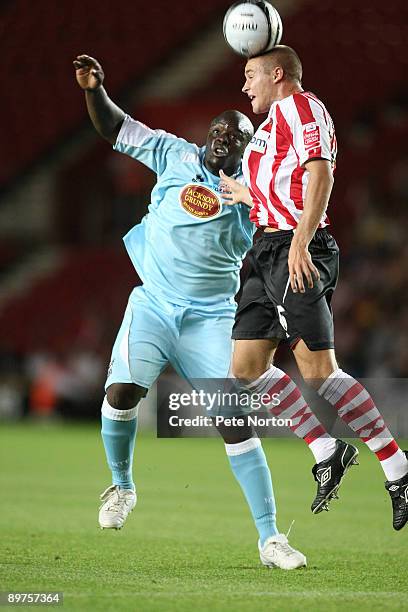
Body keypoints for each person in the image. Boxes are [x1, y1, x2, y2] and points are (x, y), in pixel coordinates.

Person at [73, 54, 307, 570]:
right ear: (207, 135)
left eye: (239, 134)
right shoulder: (173, 154)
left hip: (211, 316)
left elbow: (288, 221)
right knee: (121, 392)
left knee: (233, 420)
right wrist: (95, 89)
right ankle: (122, 487)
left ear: (248, 148)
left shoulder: (253, 191)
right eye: (221, 129)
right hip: (154, 301)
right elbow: (116, 128)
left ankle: (270, 539)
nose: (227, 136)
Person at [219, 45, 408, 530]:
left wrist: (301, 242)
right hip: (264, 252)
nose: (244, 86)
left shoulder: (303, 108)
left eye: (249, 75)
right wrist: (246, 193)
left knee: (320, 372)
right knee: (245, 369)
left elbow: (319, 173)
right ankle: (328, 451)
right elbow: (280, 186)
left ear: (276, 74)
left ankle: (398, 468)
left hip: (295, 250)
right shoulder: (268, 130)